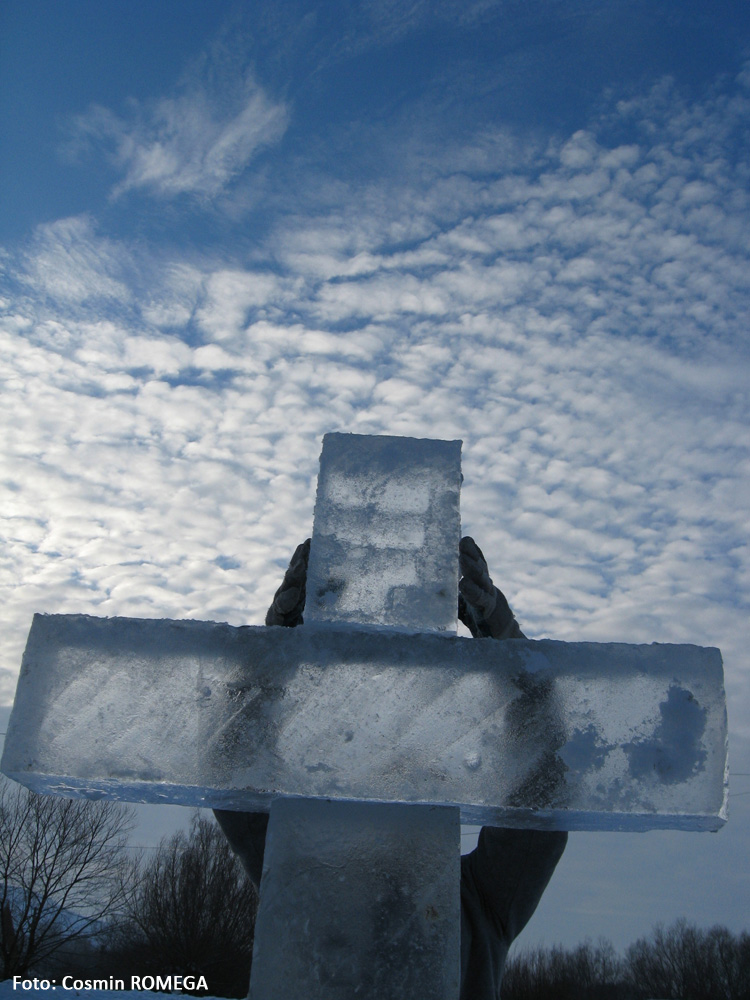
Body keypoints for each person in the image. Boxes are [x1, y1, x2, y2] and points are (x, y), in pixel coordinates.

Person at [215, 536, 567, 999]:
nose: (401, 802)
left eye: (417, 786)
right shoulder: (310, 886)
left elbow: (543, 786)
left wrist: (504, 643)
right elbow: (233, 775)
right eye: (389, 785)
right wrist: (277, 648)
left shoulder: (477, 904)